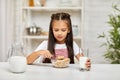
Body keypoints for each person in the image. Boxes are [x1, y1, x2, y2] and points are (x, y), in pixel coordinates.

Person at [27, 12, 91, 69]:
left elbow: (83, 61)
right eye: (56, 30)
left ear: (68, 30)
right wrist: (39, 52)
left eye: (63, 30)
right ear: (52, 30)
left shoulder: (73, 44)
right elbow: (27, 61)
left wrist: (87, 64)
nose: (59, 33)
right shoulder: (45, 44)